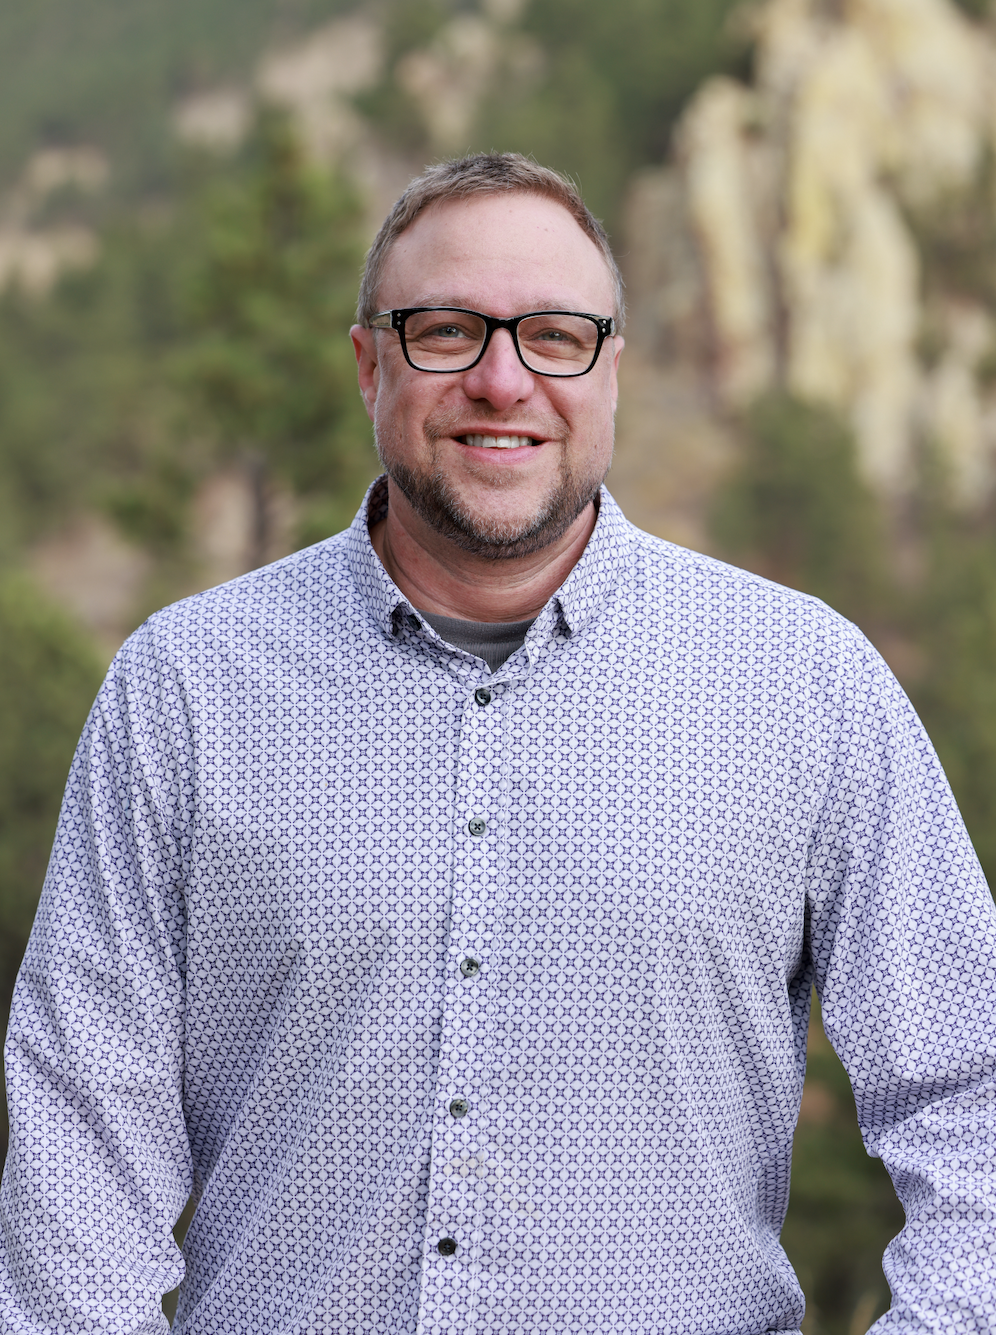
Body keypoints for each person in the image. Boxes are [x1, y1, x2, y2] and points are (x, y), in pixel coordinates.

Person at [1, 151, 994, 1335]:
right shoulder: (184, 687)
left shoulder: (807, 684)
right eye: (446, 330)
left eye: (555, 335)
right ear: (371, 362)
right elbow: (79, 1131)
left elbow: (971, 1096)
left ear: (612, 369)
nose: (502, 378)